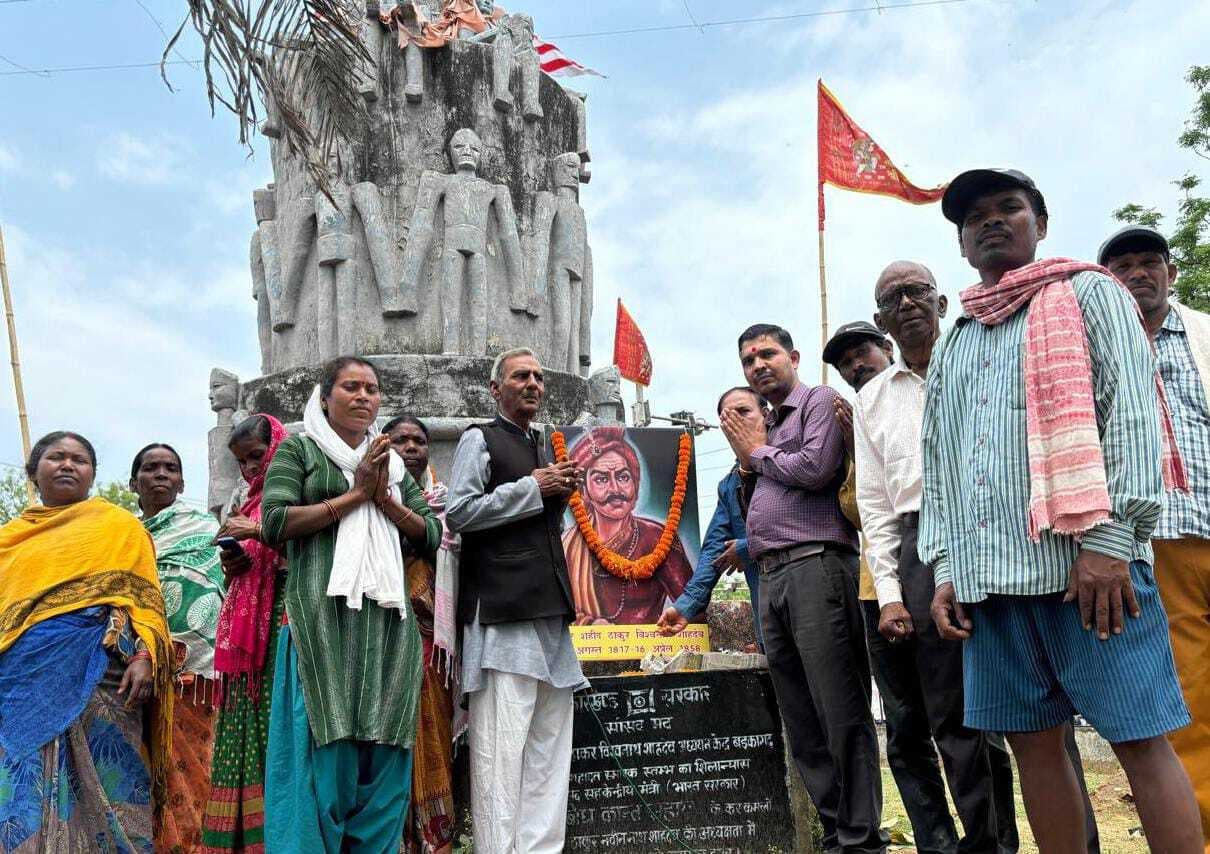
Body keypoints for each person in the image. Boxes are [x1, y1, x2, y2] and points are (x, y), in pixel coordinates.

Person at [925, 168, 1200, 852]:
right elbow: (944, 464)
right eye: (974, 217)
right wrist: (947, 570)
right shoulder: (956, 337)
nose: (990, 221)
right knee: (1034, 751)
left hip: (1090, 572)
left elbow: (1133, 420)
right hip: (993, 583)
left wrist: (1110, 543)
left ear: (1040, 225)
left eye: (1008, 207)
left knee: (1141, 740)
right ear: (962, 244)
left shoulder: (1091, 295)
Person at [261, 357, 441, 852]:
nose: (364, 396)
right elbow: (273, 522)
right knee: (326, 758)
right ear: (324, 397)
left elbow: (431, 533)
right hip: (323, 628)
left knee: (384, 763)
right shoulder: (300, 451)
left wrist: (385, 499)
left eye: (372, 389)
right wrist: (355, 495)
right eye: (351, 387)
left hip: (387, 630)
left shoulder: (395, 466)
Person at [723, 324, 886, 854]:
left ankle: (863, 836)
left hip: (818, 566)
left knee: (840, 706)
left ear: (792, 357)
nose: (758, 365)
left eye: (767, 354)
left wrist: (759, 454)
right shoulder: (764, 425)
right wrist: (753, 455)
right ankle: (837, 831)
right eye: (748, 360)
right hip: (771, 578)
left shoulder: (818, 400)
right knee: (800, 715)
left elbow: (817, 469)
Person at [446, 347, 588, 854]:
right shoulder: (479, 438)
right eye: (520, 376)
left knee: (550, 750)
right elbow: (459, 512)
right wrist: (532, 487)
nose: (533, 384)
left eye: (538, 377)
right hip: (502, 616)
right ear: (496, 389)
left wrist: (552, 489)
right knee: (501, 754)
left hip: (549, 615)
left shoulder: (543, 448)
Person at [0, 431, 172, 852]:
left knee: (109, 785)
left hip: (103, 680)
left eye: (79, 459)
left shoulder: (119, 528)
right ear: (33, 471)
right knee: (20, 789)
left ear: (92, 474)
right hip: (18, 684)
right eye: (55, 457)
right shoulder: (9, 541)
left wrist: (147, 655)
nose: (67, 465)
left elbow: (147, 603)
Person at [1100, 224, 1210, 845]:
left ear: (1170, 272)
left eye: (1149, 262)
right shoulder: (1095, 344)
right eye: (1123, 267)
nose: (1138, 274)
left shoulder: (1204, 333)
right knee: (1189, 700)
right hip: (1159, 537)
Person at [130, 442, 227, 853]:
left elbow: (214, 593)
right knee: (136, 769)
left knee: (190, 771)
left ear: (183, 481)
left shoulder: (204, 529)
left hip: (193, 678)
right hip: (126, 669)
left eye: (170, 468)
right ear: (133, 482)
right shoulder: (122, 536)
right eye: (150, 468)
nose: (161, 474)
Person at [201, 413, 289, 853]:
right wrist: (235, 560)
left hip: (282, 628)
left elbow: (311, 542)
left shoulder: (298, 491)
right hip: (246, 635)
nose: (252, 469)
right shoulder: (250, 502)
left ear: (276, 448)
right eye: (243, 463)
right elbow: (249, 561)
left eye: (257, 457)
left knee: (278, 730)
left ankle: (277, 837)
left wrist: (255, 531)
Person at [384, 413, 457, 854]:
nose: (411, 447)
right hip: (381, 641)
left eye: (418, 441)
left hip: (431, 644)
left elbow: (452, 556)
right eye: (400, 440)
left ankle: (436, 841)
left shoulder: (447, 502)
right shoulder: (367, 498)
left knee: (432, 741)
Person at [657, 386, 765, 646]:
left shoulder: (788, 462)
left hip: (809, 598)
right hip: (767, 611)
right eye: (728, 418)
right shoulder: (729, 486)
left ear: (766, 415)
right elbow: (713, 553)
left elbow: (807, 524)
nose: (736, 422)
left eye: (744, 412)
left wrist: (749, 547)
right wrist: (686, 605)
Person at [561, 426, 694, 624]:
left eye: (623, 477)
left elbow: (692, 607)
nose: (615, 489)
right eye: (601, 479)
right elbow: (556, 612)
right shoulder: (569, 545)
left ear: (636, 484)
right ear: (585, 491)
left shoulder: (658, 539)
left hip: (650, 651)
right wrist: (588, 624)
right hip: (586, 652)